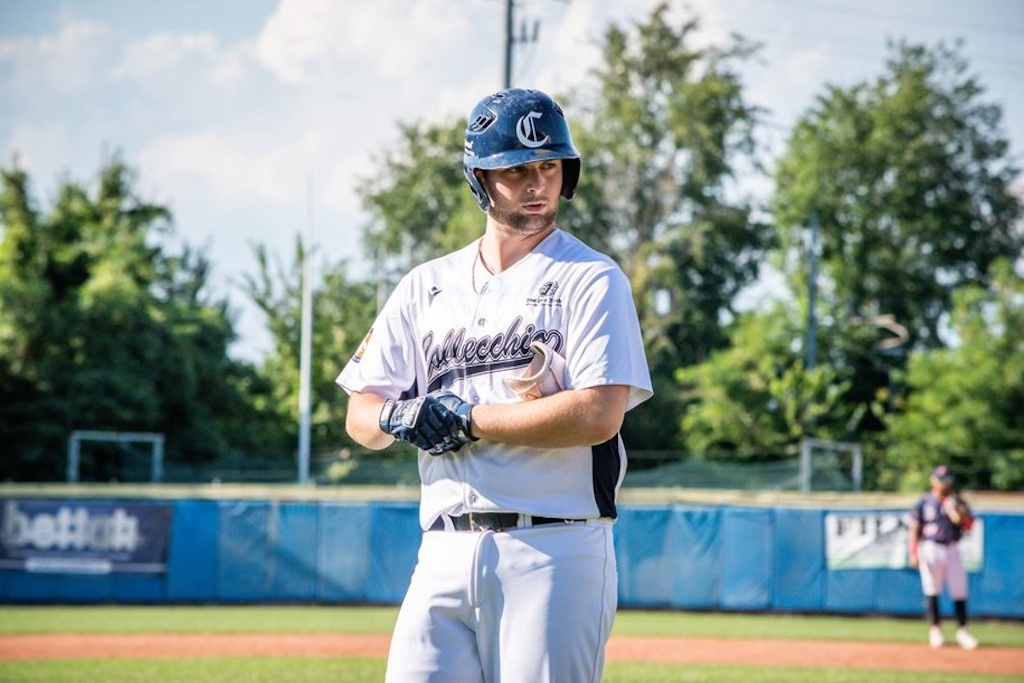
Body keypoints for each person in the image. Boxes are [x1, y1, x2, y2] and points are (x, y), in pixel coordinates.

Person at [336, 87, 653, 682]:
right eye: (518, 170)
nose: (538, 184)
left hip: (553, 547)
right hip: (443, 546)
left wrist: (468, 418)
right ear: (480, 177)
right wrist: (398, 418)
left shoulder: (591, 278)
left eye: (550, 166)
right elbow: (361, 413)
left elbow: (598, 414)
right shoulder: (425, 285)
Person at [908, 464, 979, 650]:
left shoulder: (957, 501)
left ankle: (963, 631)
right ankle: (935, 630)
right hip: (930, 547)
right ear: (933, 480)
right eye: (940, 479)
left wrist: (959, 513)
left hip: (952, 548)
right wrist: (913, 551)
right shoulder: (924, 502)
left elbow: (970, 525)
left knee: (959, 589)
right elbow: (915, 528)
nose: (943, 483)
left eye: (946, 479)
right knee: (932, 589)